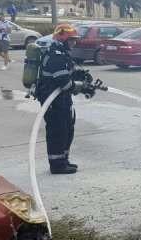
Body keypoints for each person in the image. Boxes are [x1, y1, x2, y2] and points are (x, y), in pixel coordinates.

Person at [35, 23, 96, 174]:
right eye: (71, 40)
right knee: (58, 131)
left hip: (61, 100)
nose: (74, 43)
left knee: (67, 129)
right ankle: (57, 165)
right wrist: (82, 87)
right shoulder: (55, 55)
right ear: (63, 40)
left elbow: (69, 72)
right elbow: (64, 83)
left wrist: (82, 75)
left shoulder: (62, 53)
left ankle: (64, 160)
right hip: (53, 101)